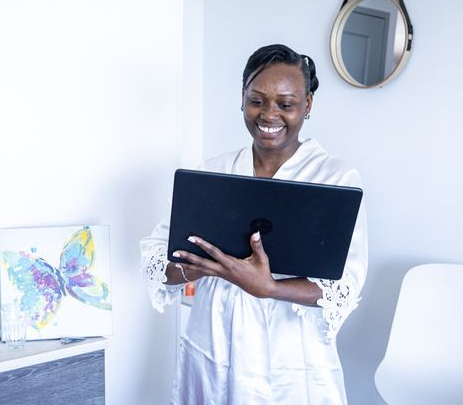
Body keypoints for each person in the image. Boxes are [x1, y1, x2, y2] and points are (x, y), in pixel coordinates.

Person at [140, 44, 368, 404]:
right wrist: (204, 268)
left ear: (307, 104)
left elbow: (344, 286)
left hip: (292, 355)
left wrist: (269, 288)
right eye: (256, 100)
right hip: (213, 341)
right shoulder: (210, 174)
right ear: (242, 99)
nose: (269, 114)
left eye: (286, 104)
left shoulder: (334, 179)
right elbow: (158, 265)